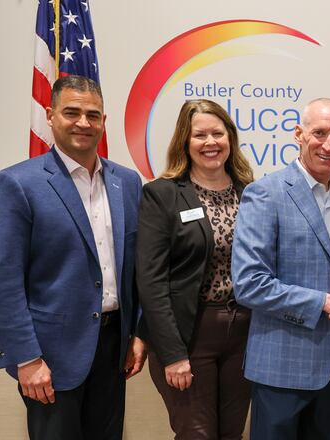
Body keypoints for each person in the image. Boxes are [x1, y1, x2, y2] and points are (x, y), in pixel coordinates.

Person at [0, 75, 146, 440]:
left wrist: (139, 333)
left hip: (114, 348)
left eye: (93, 115)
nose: (83, 122)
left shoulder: (127, 182)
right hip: (51, 354)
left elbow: (137, 267)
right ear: (49, 116)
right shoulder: (19, 184)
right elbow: (5, 279)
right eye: (72, 112)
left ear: (104, 121)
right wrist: (26, 358)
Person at [232, 97, 330, 440]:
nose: (329, 144)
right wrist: (324, 302)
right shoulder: (265, 193)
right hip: (282, 368)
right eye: (319, 132)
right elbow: (250, 284)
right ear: (298, 134)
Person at [135, 99, 255, 439]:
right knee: (196, 434)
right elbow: (151, 280)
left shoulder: (251, 193)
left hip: (244, 334)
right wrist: (173, 355)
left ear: (230, 138)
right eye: (199, 135)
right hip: (189, 334)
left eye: (217, 133)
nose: (210, 143)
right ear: (184, 142)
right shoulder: (162, 195)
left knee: (231, 433)